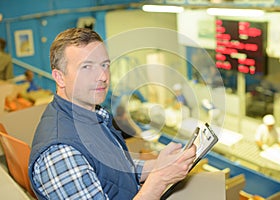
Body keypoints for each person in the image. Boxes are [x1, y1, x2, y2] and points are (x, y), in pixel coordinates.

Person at [28, 28, 196, 200]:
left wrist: (158, 166)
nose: (102, 76)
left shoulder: (90, 118)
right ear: (60, 77)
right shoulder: (61, 153)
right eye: (86, 67)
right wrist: (159, 180)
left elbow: (112, 172)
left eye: (105, 65)